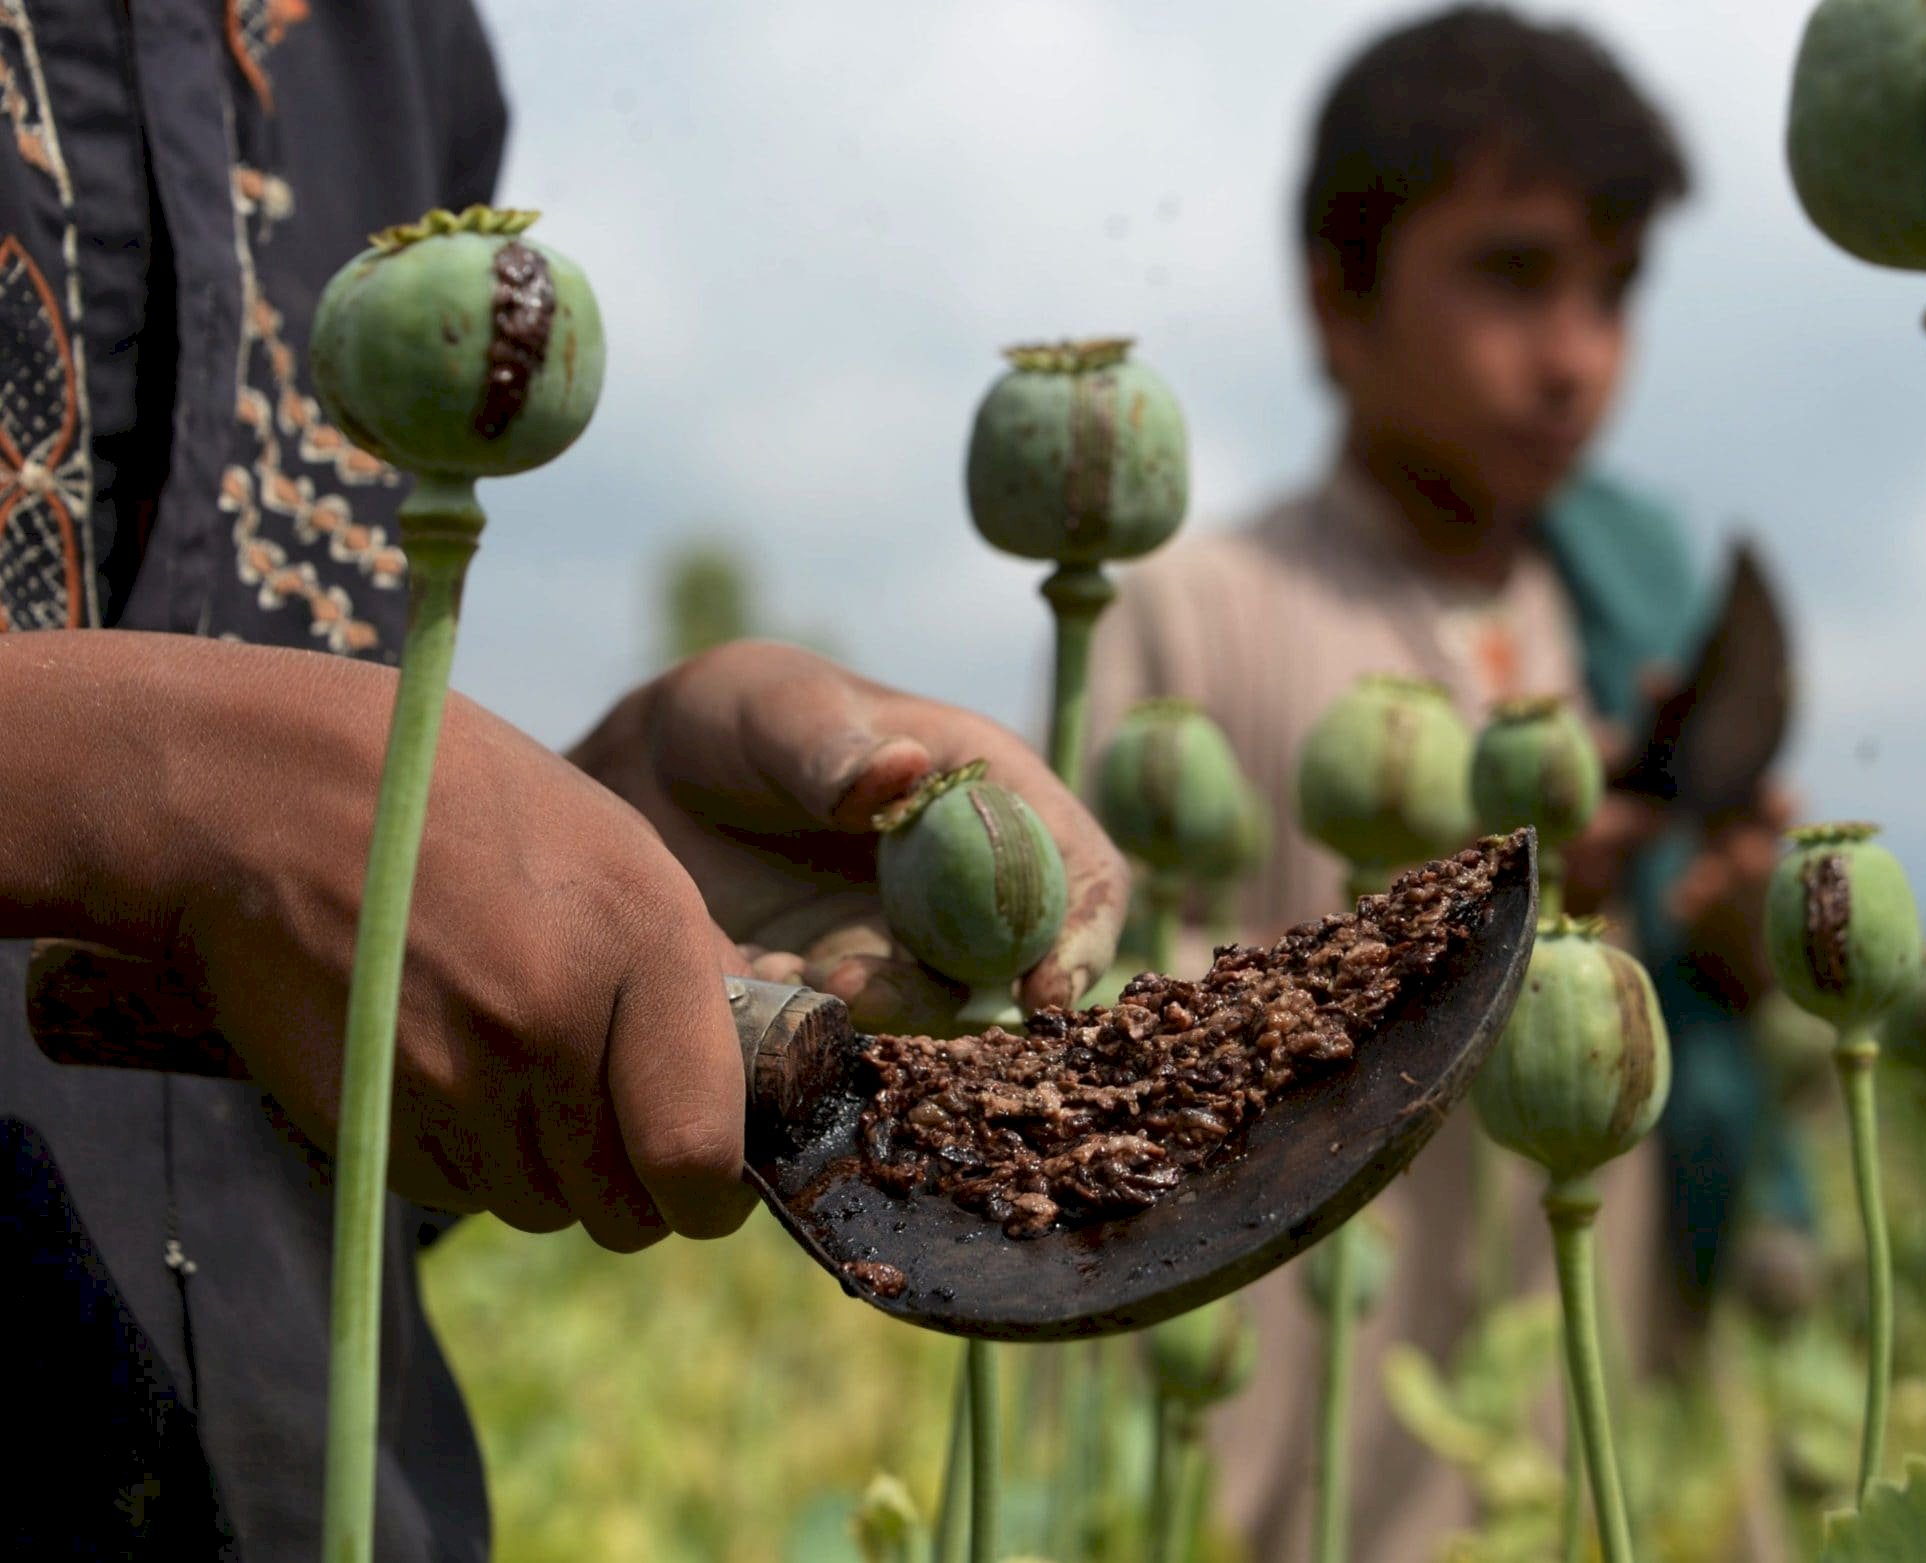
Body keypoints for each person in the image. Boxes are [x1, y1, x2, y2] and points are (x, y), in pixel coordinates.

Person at [0, 7, 1124, 1557]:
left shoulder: (398, 45)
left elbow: (309, 1080)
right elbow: (235, 799)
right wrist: (169, 778)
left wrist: (580, 849)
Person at [1088, 8, 1793, 1557]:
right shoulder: (1184, 613)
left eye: (1614, 294)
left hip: (1600, 1424)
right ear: (1337, 301)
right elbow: (1098, 1043)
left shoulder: (1627, 623)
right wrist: (1476, 900)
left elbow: (1696, 1040)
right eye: (1512, 274)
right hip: (1294, 1441)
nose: (1573, 358)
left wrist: (1729, 939)